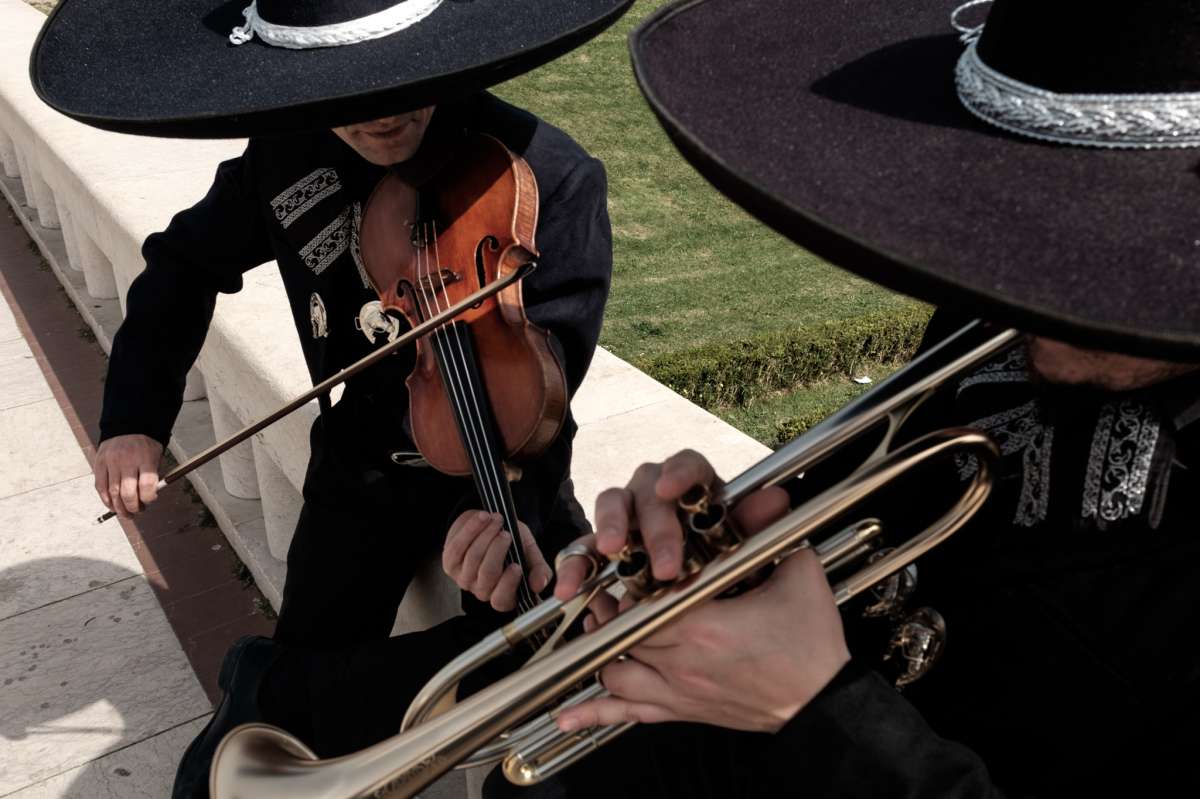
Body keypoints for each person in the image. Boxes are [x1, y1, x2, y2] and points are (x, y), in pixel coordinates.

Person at [486, 0, 1200, 796]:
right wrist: (724, 547)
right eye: (1022, 209)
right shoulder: (1016, 310)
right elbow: (887, 497)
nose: (1038, 286)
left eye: (1123, 241)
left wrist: (822, 710)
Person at [29, 1, 631, 796]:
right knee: (289, 693)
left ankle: (276, 679)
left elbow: (541, 388)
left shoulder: (550, 177)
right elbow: (179, 265)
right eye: (350, 94)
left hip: (504, 471)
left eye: (405, 82)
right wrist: (134, 422)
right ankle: (279, 684)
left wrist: (511, 506)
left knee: (553, 643)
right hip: (363, 467)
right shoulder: (286, 156)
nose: (384, 116)